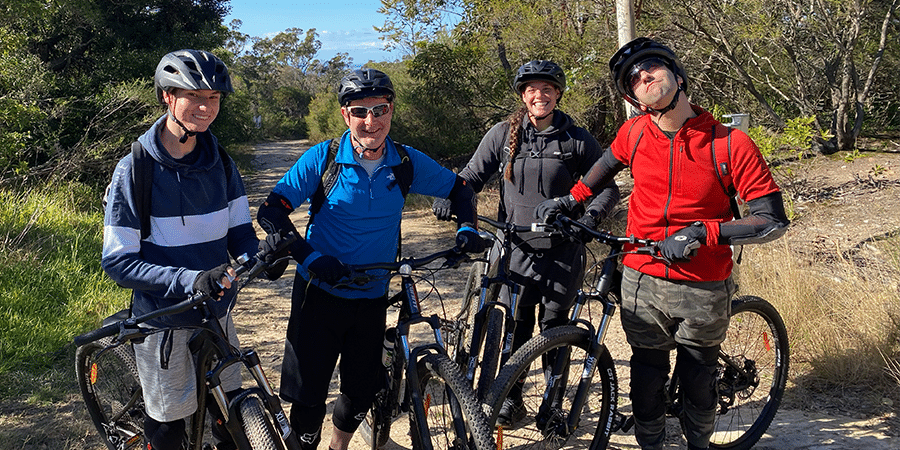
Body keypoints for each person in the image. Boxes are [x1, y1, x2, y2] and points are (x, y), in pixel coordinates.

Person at [535, 38, 790, 450]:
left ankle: (698, 444)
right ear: (634, 99)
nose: (643, 76)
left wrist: (702, 232)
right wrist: (571, 200)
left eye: (651, 66)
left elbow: (772, 220)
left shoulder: (729, 144)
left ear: (677, 75)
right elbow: (603, 169)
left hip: (703, 283)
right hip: (641, 277)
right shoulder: (634, 133)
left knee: (697, 378)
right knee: (646, 376)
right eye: (633, 78)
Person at [255, 68, 484, 450]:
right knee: (309, 398)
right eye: (360, 111)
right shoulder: (324, 158)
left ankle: (339, 446)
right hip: (319, 293)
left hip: (372, 293)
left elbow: (461, 189)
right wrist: (309, 257)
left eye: (379, 110)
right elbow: (272, 211)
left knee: (362, 390)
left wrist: (466, 229)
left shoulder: (405, 162)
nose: (370, 121)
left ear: (391, 111)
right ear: (346, 115)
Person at [433, 60, 620, 426]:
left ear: (558, 94)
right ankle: (511, 398)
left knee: (555, 328)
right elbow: (472, 175)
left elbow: (607, 188)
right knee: (516, 326)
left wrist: (588, 221)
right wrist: (450, 195)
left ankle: (552, 406)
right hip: (515, 247)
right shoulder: (504, 134)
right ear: (523, 95)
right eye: (532, 89)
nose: (540, 95)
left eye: (547, 89)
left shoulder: (576, 139)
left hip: (563, 250)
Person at [101, 50, 271, 450]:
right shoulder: (135, 169)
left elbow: (240, 237)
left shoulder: (222, 164)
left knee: (229, 417)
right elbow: (118, 260)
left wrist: (263, 255)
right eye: (194, 95)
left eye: (213, 98)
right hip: (164, 320)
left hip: (216, 312)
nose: (205, 107)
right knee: (168, 427)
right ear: (167, 97)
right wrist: (190, 279)